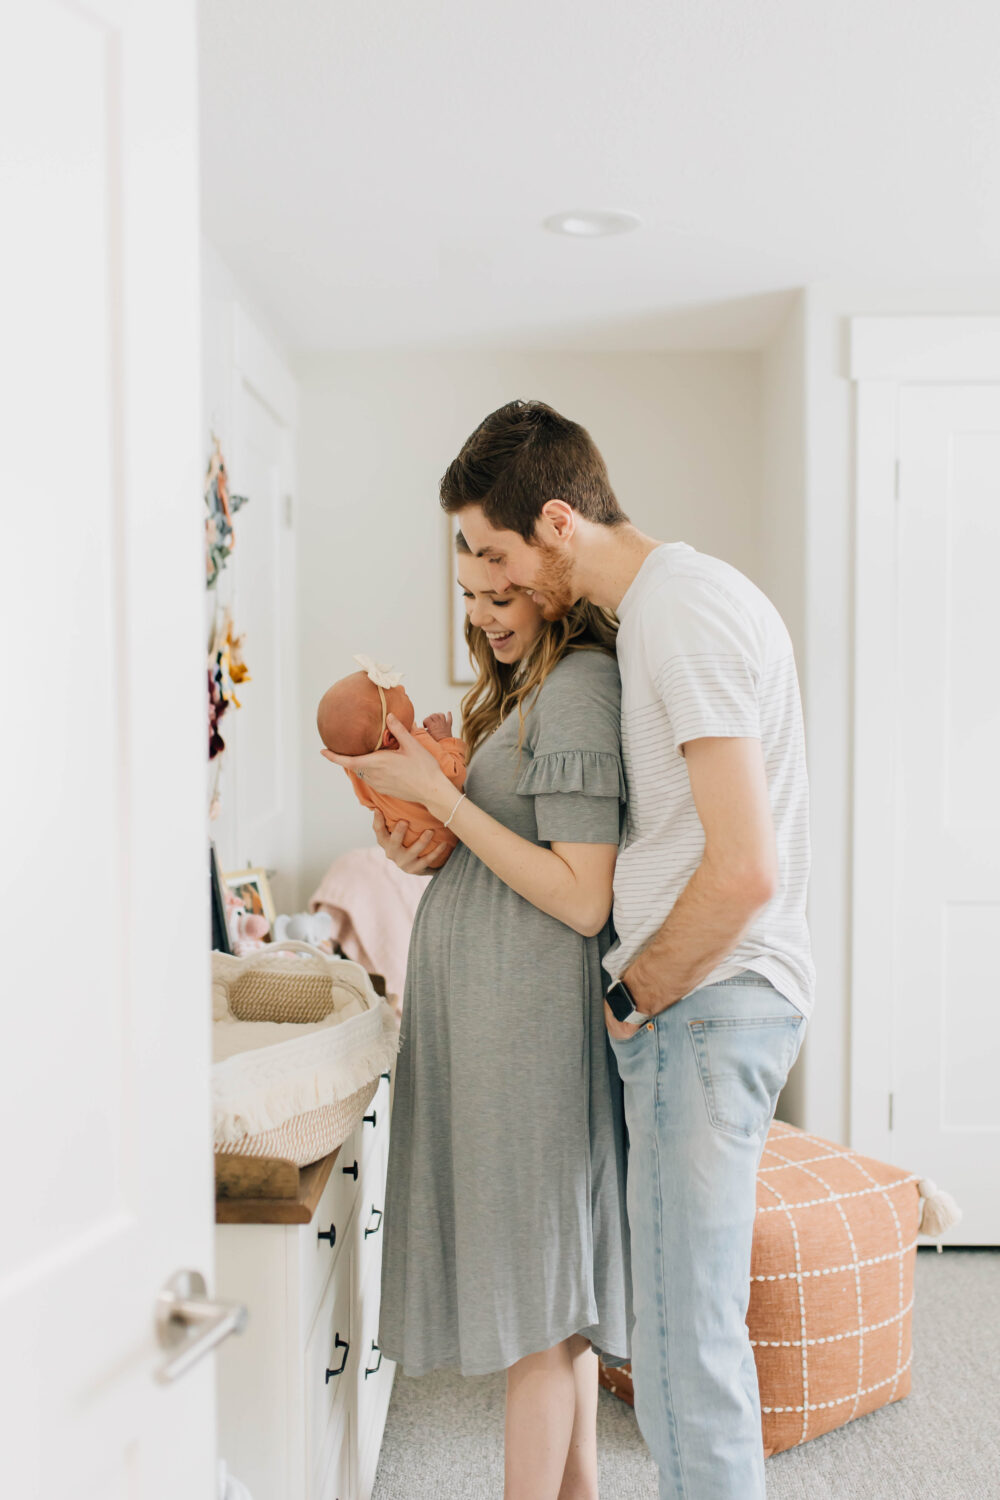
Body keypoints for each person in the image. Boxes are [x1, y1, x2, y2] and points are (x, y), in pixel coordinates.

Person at [443, 399, 815, 1500]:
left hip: (703, 1001)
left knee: (686, 1354)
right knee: (671, 1340)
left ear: (558, 522)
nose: (491, 587)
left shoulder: (684, 615)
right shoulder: (664, 611)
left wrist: (635, 990)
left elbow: (746, 866)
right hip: (695, 1008)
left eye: (498, 557)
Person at [321, 536, 631, 1500]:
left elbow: (581, 896)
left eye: (501, 589)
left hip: (529, 1023)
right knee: (554, 1299)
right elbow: (507, 850)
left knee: (540, 1303)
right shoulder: (522, 697)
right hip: (500, 1016)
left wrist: (443, 803)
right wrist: (420, 838)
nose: (486, 612)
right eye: (470, 593)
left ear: (549, 577)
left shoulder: (577, 687)